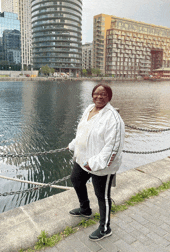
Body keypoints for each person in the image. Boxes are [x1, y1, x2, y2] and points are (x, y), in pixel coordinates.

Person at [67, 83, 125, 241]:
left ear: (109, 97)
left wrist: (94, 163)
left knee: (102, 196)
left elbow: (113, 148)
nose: (99, 97)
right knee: (76, 180)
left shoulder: (113, 119)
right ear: (92, 95)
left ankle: (105, 228)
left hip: (101, 165)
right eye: (96, 94)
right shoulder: (89, 109)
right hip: (83, 158)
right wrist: (73, 145)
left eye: (103, 94)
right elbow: (83, 131)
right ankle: (85, 209)